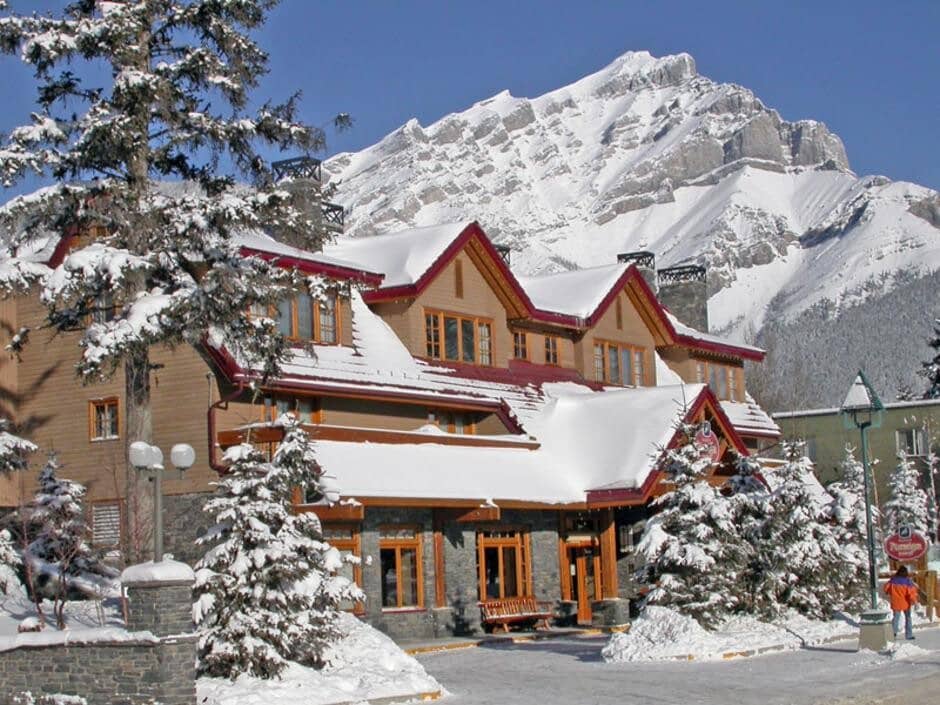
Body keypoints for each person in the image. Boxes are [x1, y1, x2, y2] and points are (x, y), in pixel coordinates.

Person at [883, 565, 918, 640]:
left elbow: (886, 588)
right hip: (906, 603)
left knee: (896, 618)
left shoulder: (892, 581)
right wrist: (915, 602)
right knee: (908, 618)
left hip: (895, 602)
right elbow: (911, 593)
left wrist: (890, 592)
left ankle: (893, 633)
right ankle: (909, 635)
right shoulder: (908, 582)